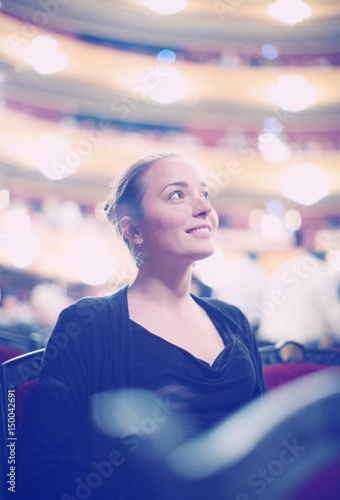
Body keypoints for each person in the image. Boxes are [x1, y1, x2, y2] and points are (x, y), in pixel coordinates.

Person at [21, 152, 267, 500]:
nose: (204, 209)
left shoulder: (233, 320)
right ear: (133, 229)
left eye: (205, 194)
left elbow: (269, 444)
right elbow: (49, 465)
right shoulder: (90, 322)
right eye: (177, 195)